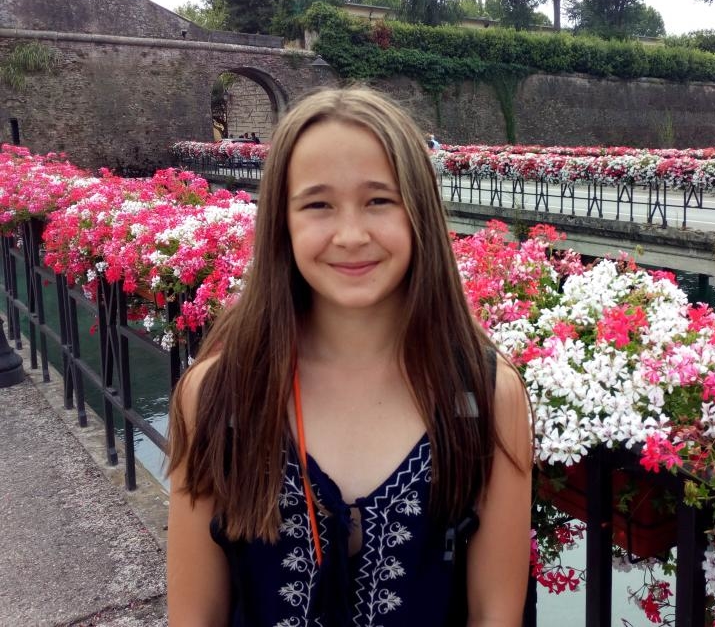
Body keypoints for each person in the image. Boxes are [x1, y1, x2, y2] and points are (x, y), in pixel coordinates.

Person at [166, 86, 533, 626]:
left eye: (379, 201)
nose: (351, 235)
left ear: (419, 213)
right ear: (282, 223)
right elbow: (194, 616)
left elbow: (494, 615)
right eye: (318, 205)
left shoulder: (485, 398)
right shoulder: (218, 398)